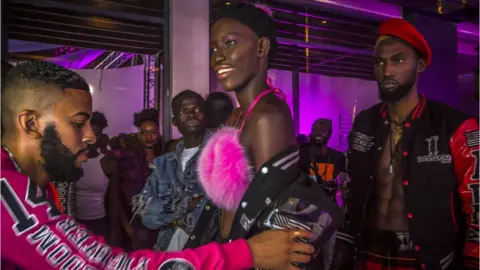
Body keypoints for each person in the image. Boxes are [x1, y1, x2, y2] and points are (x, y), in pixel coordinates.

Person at [0, 60, 315, 270]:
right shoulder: (7, 190)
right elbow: (111, 261)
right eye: (79, 123)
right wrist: (250, 253)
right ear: (30, 123)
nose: (91, 137)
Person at [330, 18, 479, 270]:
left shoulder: (455, 126)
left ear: (420, 65)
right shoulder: (365, 123)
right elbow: (351, 197)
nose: (387, 71)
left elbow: (477, 207)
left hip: (430, 261)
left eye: (398, 60)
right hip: (367, 256)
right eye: (380, 62)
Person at [134, 90, 213, 251]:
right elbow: (145, 213)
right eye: (184, 111)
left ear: (206, 115)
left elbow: (218, 213)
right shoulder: (163, 164)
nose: (191, 114)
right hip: (167, 253)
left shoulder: (222, 155)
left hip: (206, 257)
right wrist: (188, 205)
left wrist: (168, 215)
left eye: (197, 109)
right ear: (174, 121)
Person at [103, 109, 163, 250]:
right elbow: (115, 195)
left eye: (153, 132)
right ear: (138, 134)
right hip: (133, 225)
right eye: (144, 132)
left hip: (159, 226)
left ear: (158, 135)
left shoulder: (164, 159)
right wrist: (126, 227)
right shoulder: (126, 157)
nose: (148, 137)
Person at [298, 118, 346, 270]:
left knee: (329, 259)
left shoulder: (338, 158)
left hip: (329, 214)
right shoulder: (303, 155)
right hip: (306, 214)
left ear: (329, 133)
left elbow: (345, 186)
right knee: (305, 257)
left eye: (322, 130)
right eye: (315, 130)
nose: (318, 133)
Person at [75, 111, 113, 241]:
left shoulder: (107, 161)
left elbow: (114, 202)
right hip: (73, 223)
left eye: (96, 131)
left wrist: (115, 234)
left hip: (98, 223)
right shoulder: (72, 160)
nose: (90, 135)